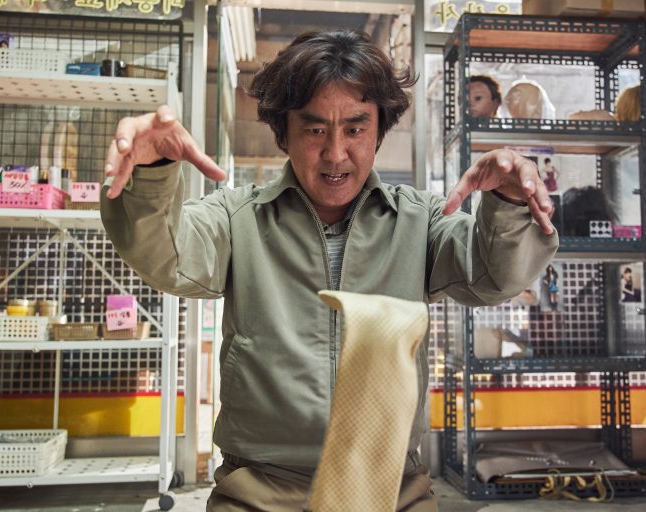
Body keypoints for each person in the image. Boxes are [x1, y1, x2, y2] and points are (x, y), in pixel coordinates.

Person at [100, 30, 558, 511]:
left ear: (379, 131)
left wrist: (507, 203)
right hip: (259, 490)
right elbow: (169, 257)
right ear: (284, 133)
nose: (336, 153)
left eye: (355, 129)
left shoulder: (420, 221)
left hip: (394, 491)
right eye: (315, 130)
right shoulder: (238, 218)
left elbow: (491, 275)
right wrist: (152, 175)